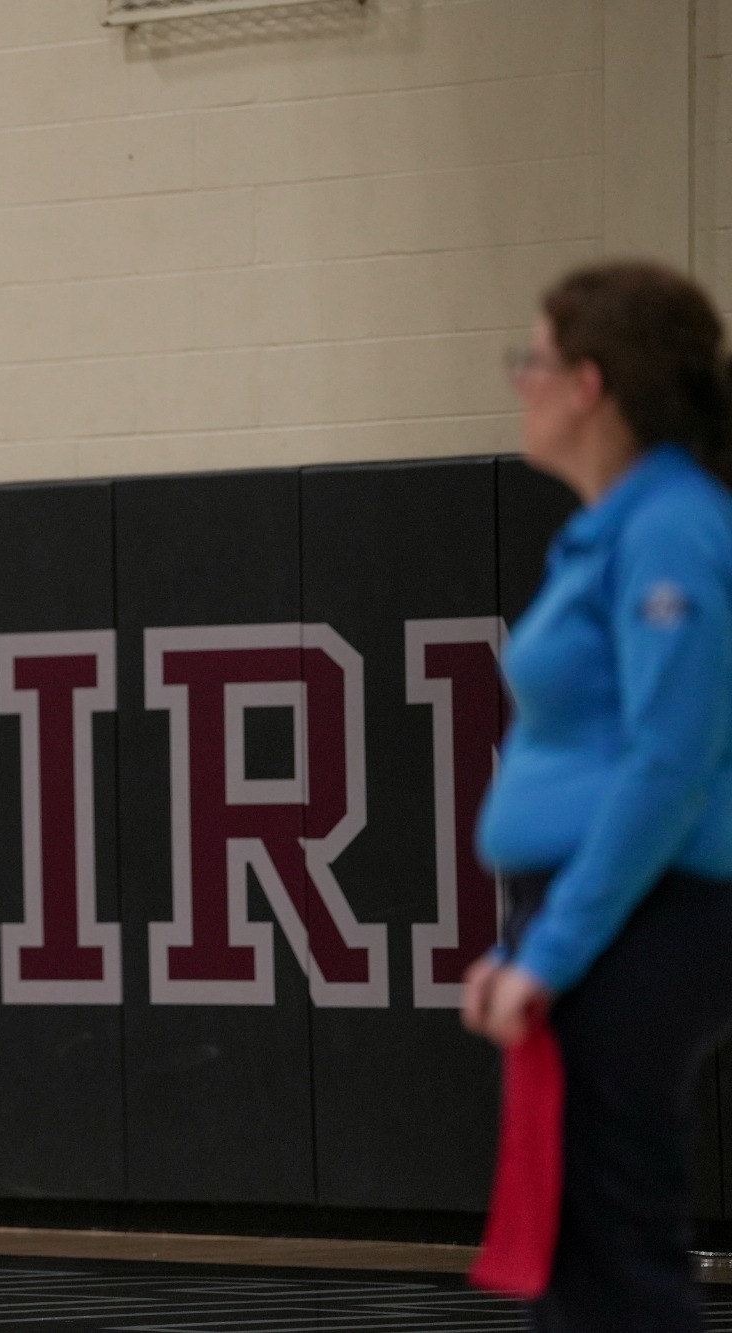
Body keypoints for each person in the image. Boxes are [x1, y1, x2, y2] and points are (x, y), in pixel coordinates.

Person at [467, 260, 732, 1331]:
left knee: (613, 1253)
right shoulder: (614, 531)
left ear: (588, 384)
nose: (516, 380)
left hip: (645, 912)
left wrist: (552, 948)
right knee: (574, 1249)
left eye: (529, 360)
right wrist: (528, 941)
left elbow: (668, 765)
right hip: (596, 912)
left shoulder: (672, 528)